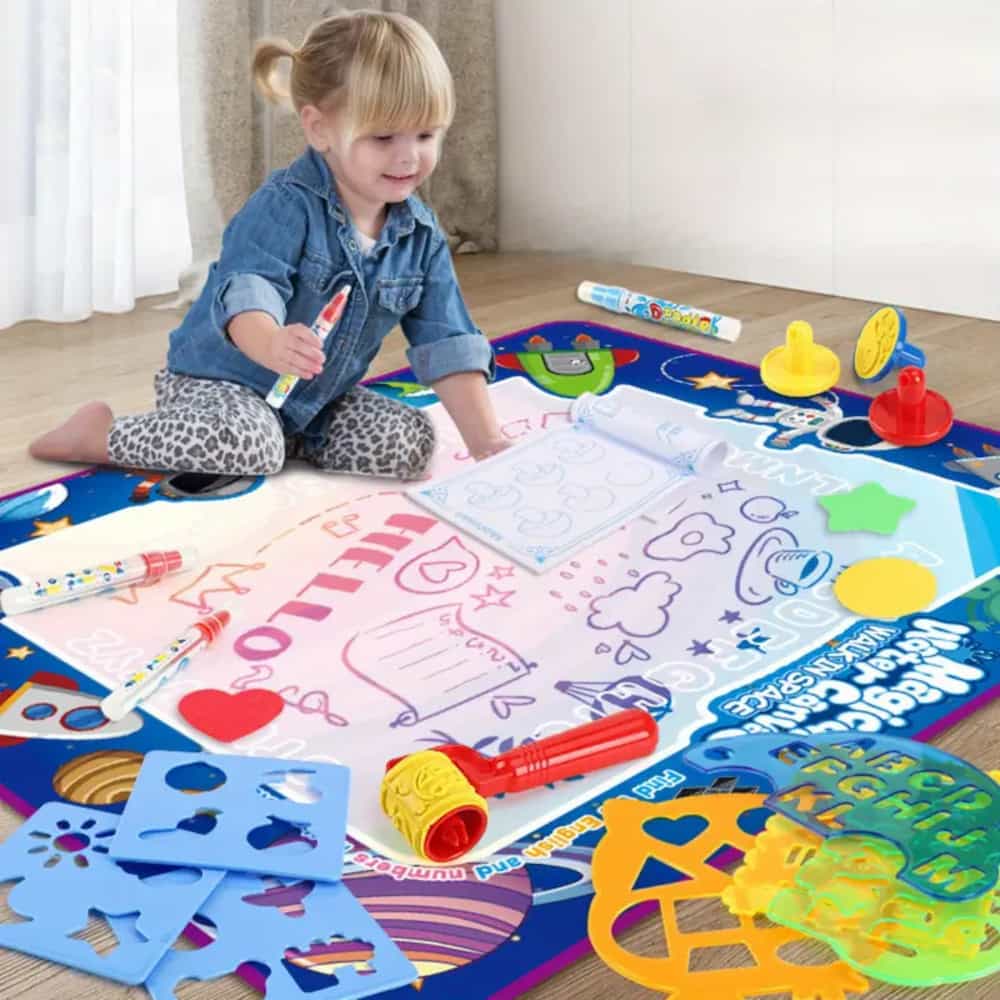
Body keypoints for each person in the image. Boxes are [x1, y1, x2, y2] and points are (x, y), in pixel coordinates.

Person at [30, 8, 507, 480]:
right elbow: (248, 287)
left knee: (413, 441)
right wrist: (271, 341)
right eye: (383, 137)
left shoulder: (420, 235)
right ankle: (100, 436)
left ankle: (284, 438)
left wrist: (488, 445)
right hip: (220, 385)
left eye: (426, 134)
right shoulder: (285, 204)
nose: (409, 157)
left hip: (312, 401)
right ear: (319, 128)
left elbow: (448, 339)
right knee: (249, 441)